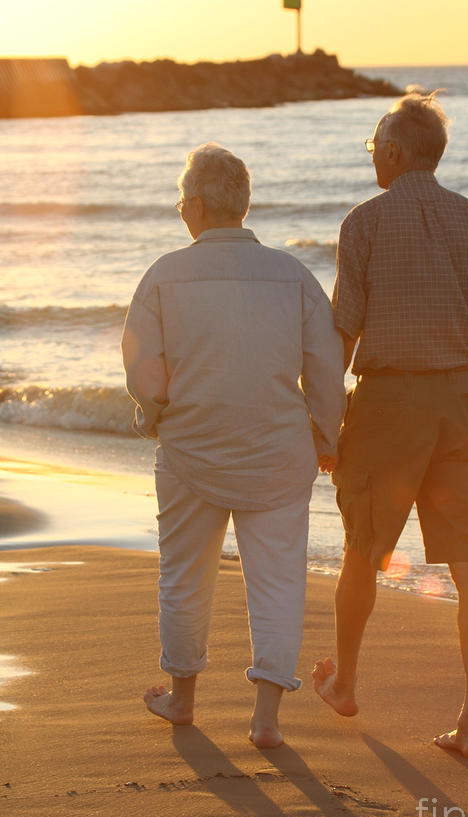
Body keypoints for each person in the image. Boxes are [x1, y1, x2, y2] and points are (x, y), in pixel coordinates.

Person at [312, 94, 468, 759]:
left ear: (392, 153)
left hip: (386, 405)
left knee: (363, 551)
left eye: (372, 149)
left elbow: (343, 334)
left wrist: (325, 421)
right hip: (462, 405)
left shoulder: (363, 223)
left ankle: (348, 682)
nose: (371, 158)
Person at [122, 143, 346, 748]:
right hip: (278, 450)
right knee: (277, 579)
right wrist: (326, 435)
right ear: (242, 205)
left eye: (180, 202)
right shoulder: (292, 275)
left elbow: (143, 364)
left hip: (191, 450)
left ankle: (184, 699)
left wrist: (156, 414)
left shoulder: (164, 274)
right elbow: (325, 365)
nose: (180, 211)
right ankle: (266, 718)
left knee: (184, 576)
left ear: (195, 205)